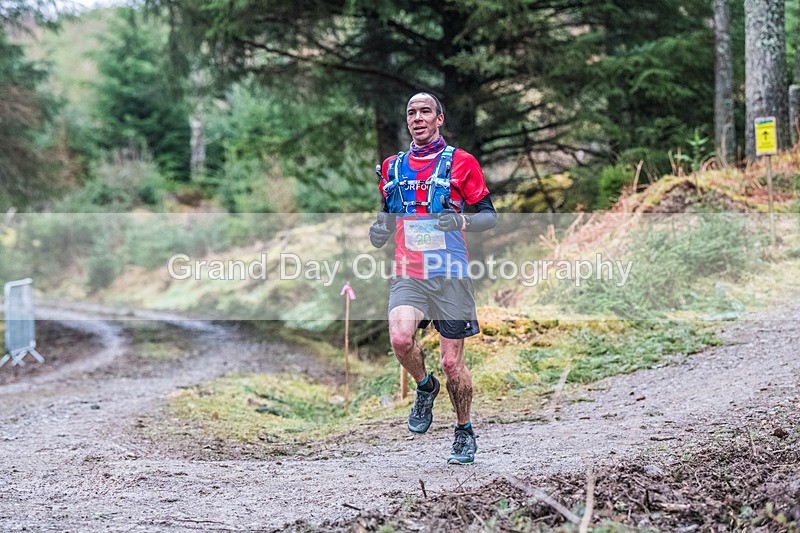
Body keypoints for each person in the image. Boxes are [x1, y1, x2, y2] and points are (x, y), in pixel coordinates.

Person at [369, 92, 497, 465]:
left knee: (452, 363)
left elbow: (488, 216)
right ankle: (425, 387)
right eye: (412, 112)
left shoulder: (462, 162)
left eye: (426, 111)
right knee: (400, 337)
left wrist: (461, 220)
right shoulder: (392, 167)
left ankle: (464, 430)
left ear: (439, 119)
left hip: (451, 274)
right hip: (409, 272)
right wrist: (379, 231)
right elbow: (387, 216)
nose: (418, 118)